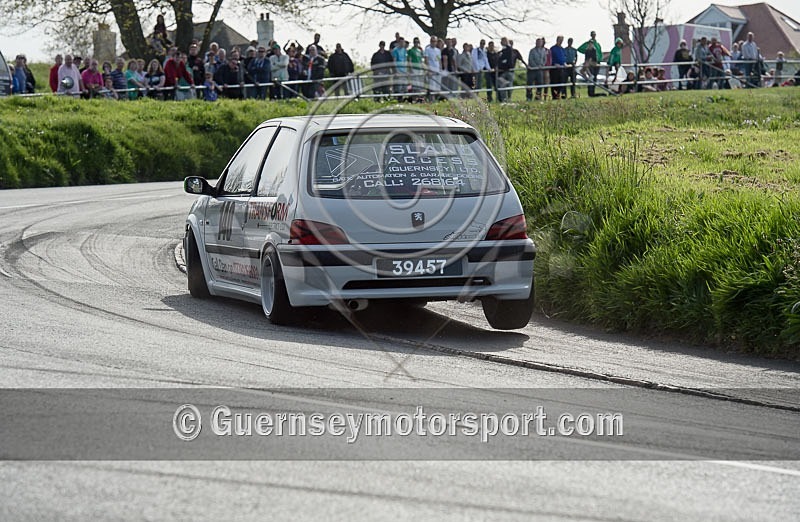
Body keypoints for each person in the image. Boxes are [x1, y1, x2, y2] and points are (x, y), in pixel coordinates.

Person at [578, 31, 601, 96]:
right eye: (592, 34)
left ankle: (592, 91)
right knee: (582, 70)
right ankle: (588, 78)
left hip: (594, 63)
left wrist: (598, 60)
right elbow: (580, 50)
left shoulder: (596, 46)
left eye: (594, 34)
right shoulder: (587, 49)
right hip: (588, 63)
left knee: (594, 77)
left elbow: (596, 56)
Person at [550, 35, 567, 100]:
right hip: (555, 68)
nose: (561, 41)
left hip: (562, 68)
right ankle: (554, 96)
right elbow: (550, 58)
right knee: (555, 82)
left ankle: (559, 95)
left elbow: (564, 58)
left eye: (562, 40)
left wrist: (565, 63)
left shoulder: (562, 49)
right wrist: (554, 63)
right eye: (560, 40)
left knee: (561, 82)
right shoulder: (552, 48)